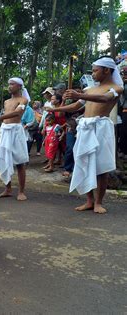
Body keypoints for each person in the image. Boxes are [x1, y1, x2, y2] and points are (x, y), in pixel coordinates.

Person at [47, 56, 123, 214]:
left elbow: (104, 98)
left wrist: (79, 95)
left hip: (101, 128)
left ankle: (99, 202)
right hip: (85, 128)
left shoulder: (116, 88)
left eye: (95, 70)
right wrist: (55, 110)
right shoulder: (90, 90)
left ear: (107, 70)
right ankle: (89, 201)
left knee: (101, 167)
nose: (93, 74)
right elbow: (76, 105)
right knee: (83, 162)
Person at [0, 77, 30, 201]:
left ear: (19, 86)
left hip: (16, 131)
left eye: (12, 84)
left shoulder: (24, 99)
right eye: (9, 84)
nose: (9, 86)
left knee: (20, 162)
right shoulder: (6, 102)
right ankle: (8, 189)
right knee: (5, 159)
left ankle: (21, 191)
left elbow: (17, 113)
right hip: (6, 131)